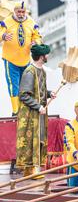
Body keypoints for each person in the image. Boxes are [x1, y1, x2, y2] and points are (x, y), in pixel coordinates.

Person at [15, 44, 55, 178]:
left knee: (39, 139)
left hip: (40, 113)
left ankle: (34, 170)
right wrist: (38, 106)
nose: (48, 56)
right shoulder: (29, 72)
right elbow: (24, 95)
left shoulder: (42, 71)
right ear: (41, 56)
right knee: (31, 140)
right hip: (30, 114)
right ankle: (30, 170)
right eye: (47, 54)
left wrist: (50, 94)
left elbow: (40, 91)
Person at [0, 1, 42, 116]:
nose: (21, 14)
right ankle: (16, 111)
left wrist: (36, 42)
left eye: (23, 12)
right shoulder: (6, 22)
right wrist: (3, 36)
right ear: (14, 11)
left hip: (26, 61)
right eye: (19, 12)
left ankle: (26, 109)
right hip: (11, 60)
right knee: (14, 86)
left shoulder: (31, 22)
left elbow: (37, 36)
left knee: (26, 86)